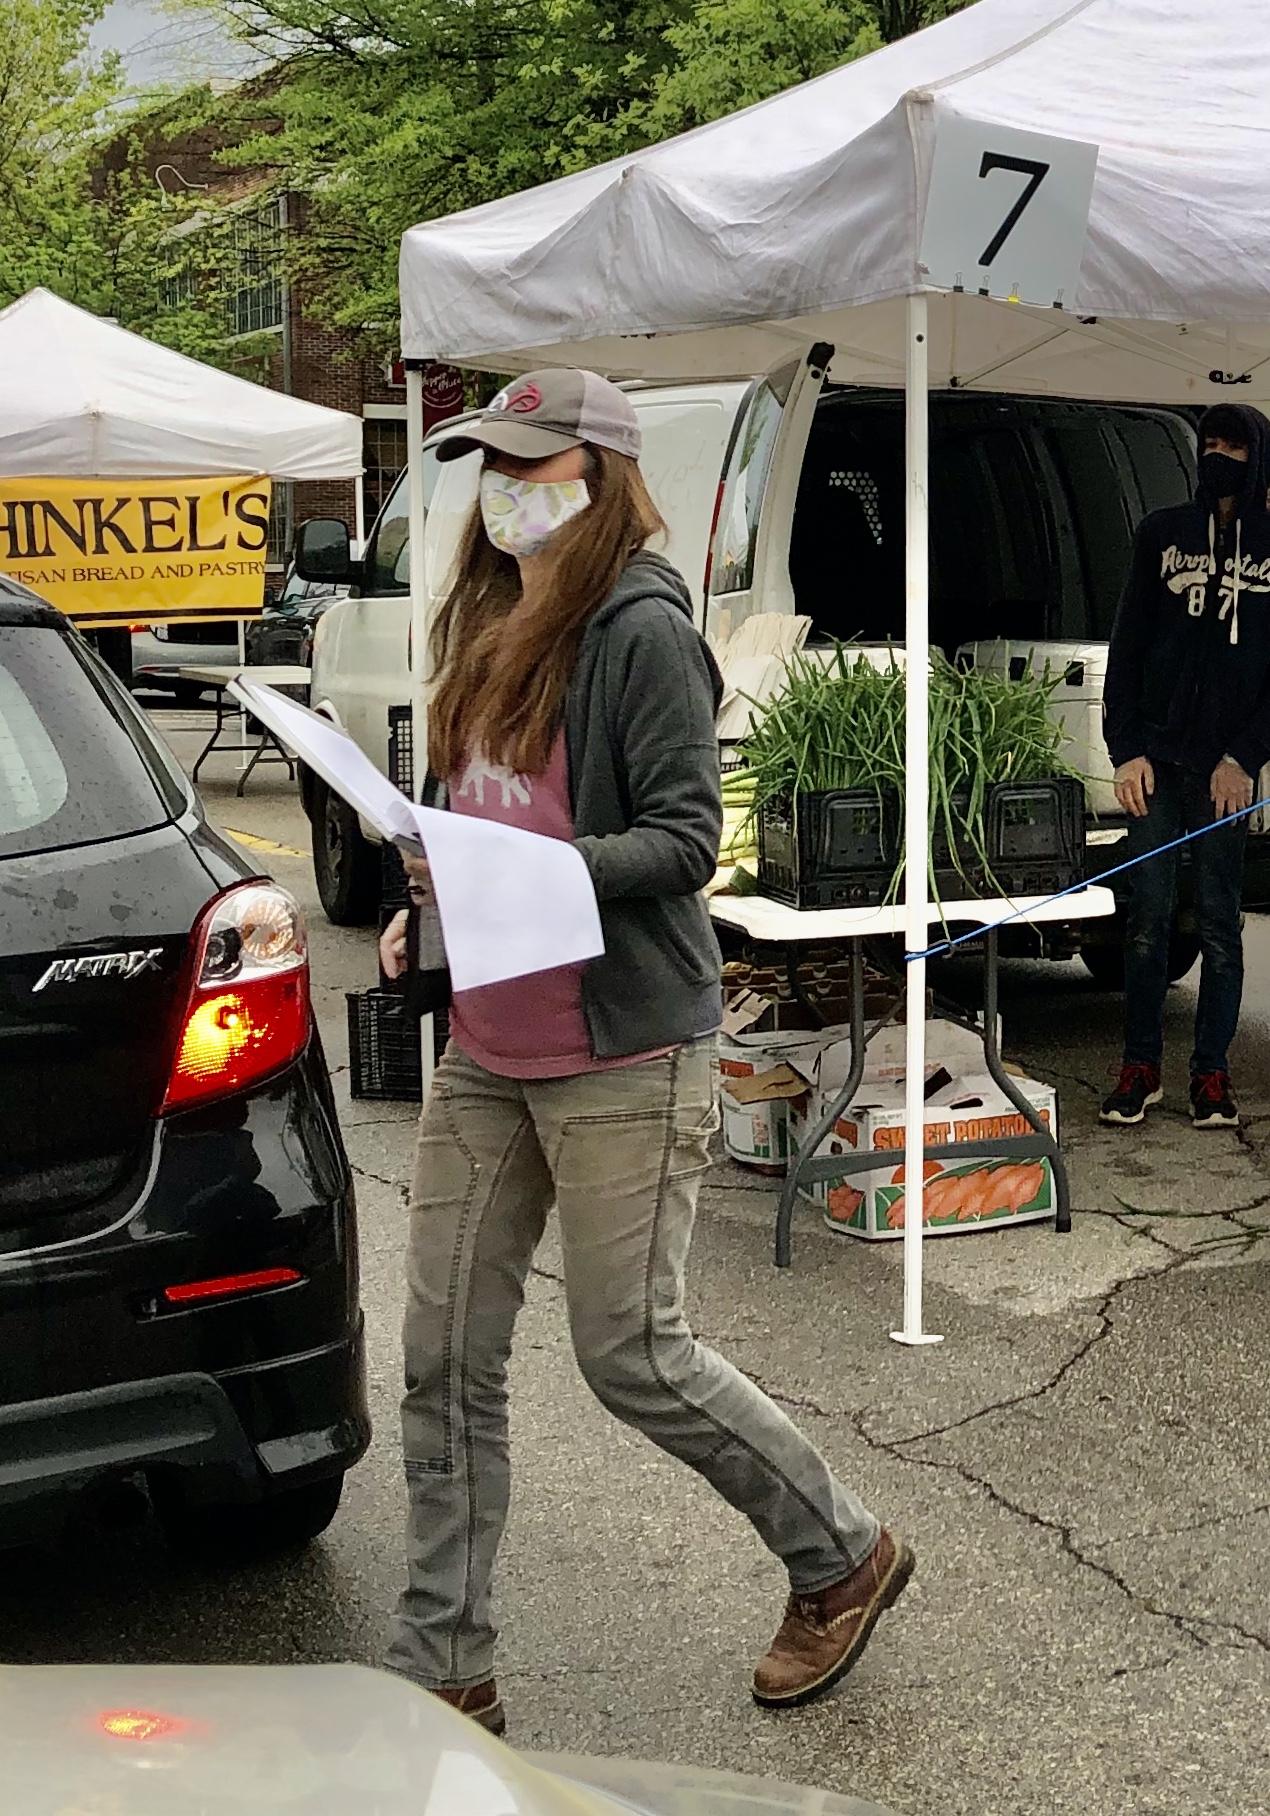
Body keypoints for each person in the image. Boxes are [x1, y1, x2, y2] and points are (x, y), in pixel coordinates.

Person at [376, 369, 908, 1733]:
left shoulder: (640, 629)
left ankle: (841, 1556)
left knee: (631, 1354)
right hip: (489, 1046)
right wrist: (423, 901)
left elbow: (680, 843)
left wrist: (522, 876)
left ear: (598, 479)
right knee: (441, 1357)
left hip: (618, 1048)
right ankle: (450, 1673)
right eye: (495, 464)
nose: (506, 490)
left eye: (533, 468)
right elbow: (474, 814)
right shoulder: (485, 614)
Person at [1099, 403, 1270, 1129]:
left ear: (1257, 456)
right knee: (1145, 920)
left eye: (1231, 444)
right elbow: (1126, 645)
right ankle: (1140, 1066)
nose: (1217, 455)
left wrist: (1243, 758)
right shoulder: (1161, 533)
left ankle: (1212, 1074)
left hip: (1226, 772)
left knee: (1221, 924)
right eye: (1209, 442)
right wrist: (1124, 748)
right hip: (1156, 762)